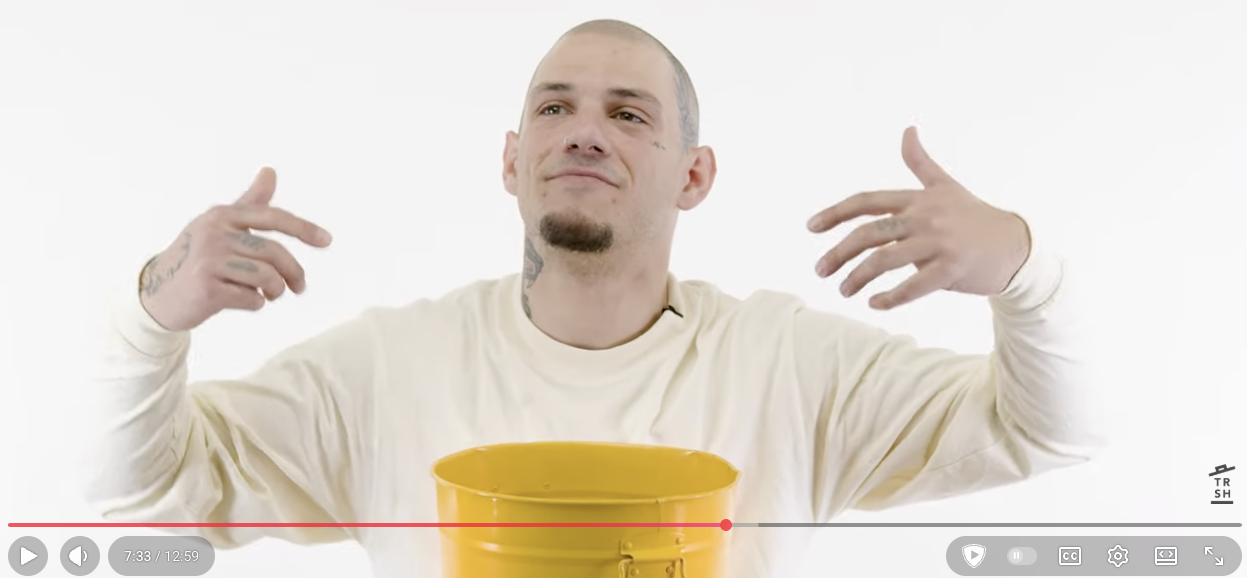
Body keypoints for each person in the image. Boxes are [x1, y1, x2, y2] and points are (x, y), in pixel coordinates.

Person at [85, 18, 1103, 578]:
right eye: (554, 108)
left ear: (692, 175)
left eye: (627, 113)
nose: (584, 131)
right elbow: (143, 505)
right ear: (510, 157)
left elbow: (1053, 433)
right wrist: (149, 317)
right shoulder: (384, 368)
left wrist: (1024, 270)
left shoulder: (790, 366)